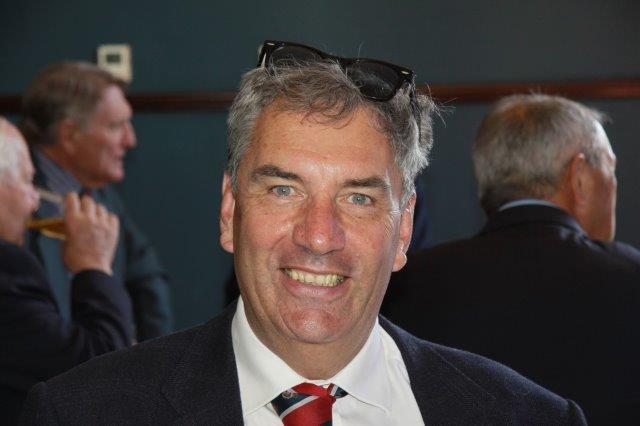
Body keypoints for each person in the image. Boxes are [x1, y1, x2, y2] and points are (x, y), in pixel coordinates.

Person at [20, 42, 585, 425]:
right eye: (283, 189)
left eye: (358, 198)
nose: (318, 237)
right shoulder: (79, 413)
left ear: (404, 228)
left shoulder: (526, 416)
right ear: (229, 211)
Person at [382, 94, 640, 425]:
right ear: (580, 178)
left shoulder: (403, 286)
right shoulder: (632, 280)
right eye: (610, 170)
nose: (614, 185)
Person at [20, 62, 172, 341]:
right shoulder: (13, 204)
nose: (131, 140)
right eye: (116, 126)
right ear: (69, 135)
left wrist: (159, 355)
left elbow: (145, 273)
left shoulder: (100, 194)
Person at [0, 117, 133, 423]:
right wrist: (93, 265)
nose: (35, 202)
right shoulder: (7, 267)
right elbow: (102, 374)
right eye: (27, 181)